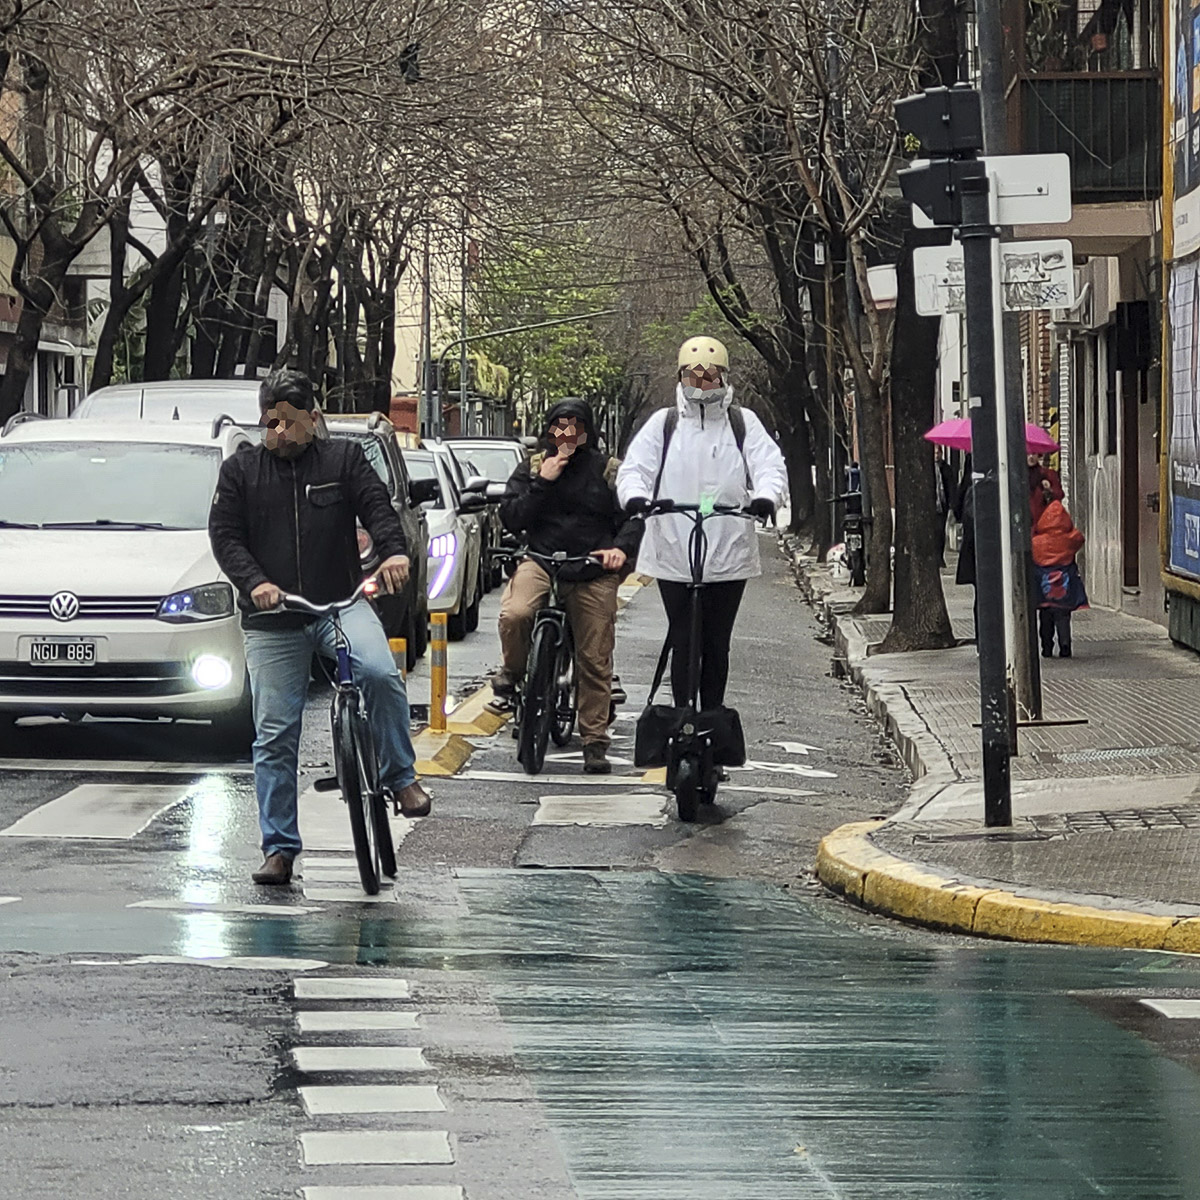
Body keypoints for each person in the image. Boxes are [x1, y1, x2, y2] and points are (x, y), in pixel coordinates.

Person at [208, 369, 430, 887]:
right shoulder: (241, 471)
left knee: (379, 674)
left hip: (339, 605)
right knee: (275, 733)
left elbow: (378, 507)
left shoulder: (345, 461)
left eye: (289, 421)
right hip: (273, 619)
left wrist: (394, 552)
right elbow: (225, 537)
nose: (279, 432)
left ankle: (401, 779)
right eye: (271, 421)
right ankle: (279, 849)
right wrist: (256, 582)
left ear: (313, 418)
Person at [617, 335, 787, 711]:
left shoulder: (743, 423)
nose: (702, 383)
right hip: (675, 549)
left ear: (723, 377)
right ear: (681, 378)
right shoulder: (665, 424)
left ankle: (711, 716)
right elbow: (635, 468)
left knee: (715, 642)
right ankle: (682, 716)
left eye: (710, 376)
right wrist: (637, 498)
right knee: (683, 639)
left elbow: (769, 466)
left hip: (728, 551)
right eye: (694, 376)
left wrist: (765, 497)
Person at [492, 398, 642, 775]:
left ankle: (594, 739)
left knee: (594, 656)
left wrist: (618, 551)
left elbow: (634, 517)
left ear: (587, 432)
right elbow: (511, 516)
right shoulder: (532, 466)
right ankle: (512, 674)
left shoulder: (609, 471)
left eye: (575, 426)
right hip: (542, 559)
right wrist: (543, 482)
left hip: (590, 567)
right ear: (548, 430)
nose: (566, 434)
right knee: (516, 612)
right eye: (559, 426)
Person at [1032, 498, 1088, 658]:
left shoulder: (1037, 541)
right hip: (1065, 583)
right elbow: (1079, 539)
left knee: (1045, 618)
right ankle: (1065, 646)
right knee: (1063, 617)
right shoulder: (1070, 539)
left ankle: (1046, 647)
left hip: (1044, 587)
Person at [953, 453, 978, 641]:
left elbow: (957, 510)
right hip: (980, 549)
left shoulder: (968, 487)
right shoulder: (972, 491)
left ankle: (981, 637)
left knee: (981, 595)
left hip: (974, 549)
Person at [933, 447, 956, 567]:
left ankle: (940, 556)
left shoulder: (946, 469)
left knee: (940, 531)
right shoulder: (929, 468)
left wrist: (951, 505)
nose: (936, 455)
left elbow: (951, 487)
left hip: (942, 504)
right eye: (935, 453)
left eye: (938, 453)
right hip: (932, 504)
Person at [1028, 454, 1064, 523]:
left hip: (1044, 522)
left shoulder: (1048, 474)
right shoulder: (1018, 477)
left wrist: (1049, 489)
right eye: (1028, 454)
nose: (1031, 457)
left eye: (1034, 453)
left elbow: (1059, 495)